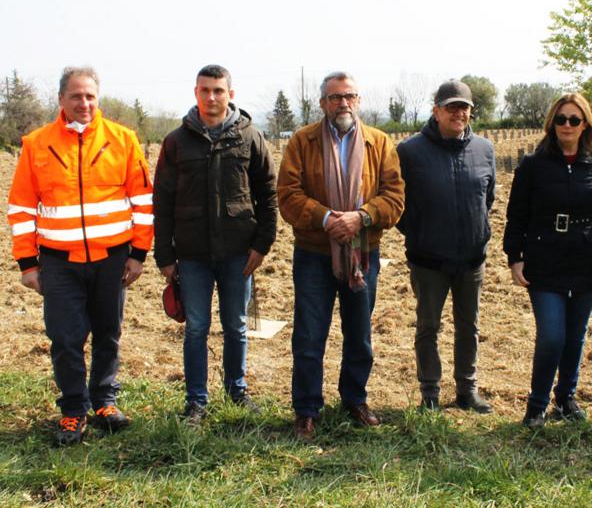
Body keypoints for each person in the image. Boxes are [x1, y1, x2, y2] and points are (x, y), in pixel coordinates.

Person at [7, 66, 154, 445]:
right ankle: (73, 410)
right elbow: (22, 207)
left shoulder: (123, 140)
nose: (84, 103)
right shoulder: (37, 144)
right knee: (65, 338)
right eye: (76, 96)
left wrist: (137, 254)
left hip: (112, 260)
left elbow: (143, 202)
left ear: (98, 98)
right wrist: (27, 263)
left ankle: (104, 401)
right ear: (61, 100)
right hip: (58, 263)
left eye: (90, 96)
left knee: (109, 332)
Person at [277, 71, 404, 440]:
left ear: (359, 101)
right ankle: (305, 410)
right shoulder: (303, 141)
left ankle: (354, 400)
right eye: (334, 98)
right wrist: (327, 218)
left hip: (363, 254)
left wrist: (361, 218)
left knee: (360, 333)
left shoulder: (379, 144)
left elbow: (395, 197)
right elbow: (288, 194)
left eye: (349, 96)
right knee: (309, 335)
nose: (342, 103)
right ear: (322, 104)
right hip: (314, 254)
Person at [153, 64, 277, 423]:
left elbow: (268, 194)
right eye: (205, 90)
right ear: (196, 93)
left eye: (218, 90)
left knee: (236, 325)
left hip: (239, 253)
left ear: (230, 95)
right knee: (195, 327)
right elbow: (161, 201)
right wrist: (165, 254)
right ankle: (196, 401)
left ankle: (237, 392)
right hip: (192, 255)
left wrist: (262, 244)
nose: (212, 97)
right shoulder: (177, 141)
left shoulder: (250, 137)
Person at [503, 93, 592, 429]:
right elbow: (516, 216)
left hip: (587, 258)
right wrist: (515, 257)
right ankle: (537, 404)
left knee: (575, 336)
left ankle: (565, 399)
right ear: (551, 124)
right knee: (552, 335)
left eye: (574, 119)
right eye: (561, 119)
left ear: (586, 125)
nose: (567, 125)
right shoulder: (533, 165)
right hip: (545, 257)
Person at [396, 80, 495, 413]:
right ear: (436, 110)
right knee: (428, 326)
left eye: (464, 107)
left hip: (471, 259)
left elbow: (488, 197)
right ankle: (430, 392)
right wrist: (422, 234)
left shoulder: (484, 149)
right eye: (451, 107)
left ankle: (467, 390)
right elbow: (398, 205)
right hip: (428, 262)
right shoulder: (410, 151)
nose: (459, 112)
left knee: (469, 326)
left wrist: (474, 230)